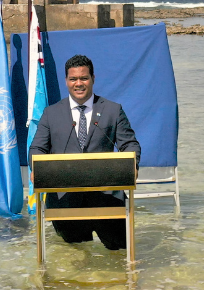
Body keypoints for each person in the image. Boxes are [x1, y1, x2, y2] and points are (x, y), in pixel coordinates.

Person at [29, 54, 141, 250]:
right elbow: (37, 148)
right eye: (73, 79)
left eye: (84, 78)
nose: (78, 84)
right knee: (75, 261)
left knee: (120, 258)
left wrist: (132, 167)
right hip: (65, 202)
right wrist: (36, 168)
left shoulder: (113, 111)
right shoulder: (51, 114)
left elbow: (130, 145)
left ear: (93, 79)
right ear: (66, 81)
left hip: (107, 200)